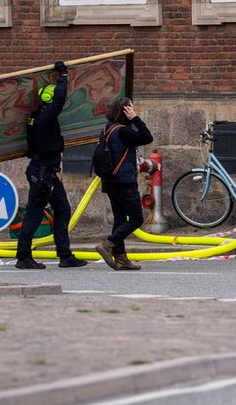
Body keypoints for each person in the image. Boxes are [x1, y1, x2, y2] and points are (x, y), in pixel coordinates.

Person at [15, 61, 88, 270]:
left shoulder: (35, 116)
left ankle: (63, 255)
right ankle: (25, 257)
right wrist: (63, 76)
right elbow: (59, 100)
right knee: (39, 213)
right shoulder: (45, 117)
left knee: (58, 210)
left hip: (42, 172)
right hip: (43, 174)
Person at [95, 97, 154, 270]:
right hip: (124, 182)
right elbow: (147, 137)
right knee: (136, 219)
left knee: (120, 219)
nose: (133, 111)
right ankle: (108, 243)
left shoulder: (107, 129)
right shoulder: (123, 132)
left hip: (110, 182)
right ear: (126, 112)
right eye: (131, 109)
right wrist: (135, 118)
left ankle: (120, 258)